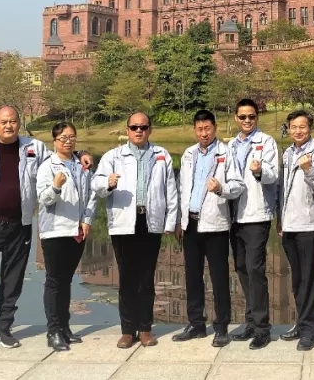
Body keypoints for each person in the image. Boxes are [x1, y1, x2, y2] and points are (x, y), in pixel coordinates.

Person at [0, 106, 92, 357]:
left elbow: (59, 155)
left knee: (12, 281)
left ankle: (3, 329)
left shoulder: (34, 147)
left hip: (20, 224)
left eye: (13, 121)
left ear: (19, 123)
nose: (8, 125)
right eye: (4, 122)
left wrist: (80, 153)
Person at [92, 111, 179, 349]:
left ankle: (146, 328)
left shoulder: (161, 155)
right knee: (127, 277)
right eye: (134, 127)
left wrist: (171, 221)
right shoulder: (113, 156)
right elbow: (96, 185)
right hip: (124, 223)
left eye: (143, 127)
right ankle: (128, 330)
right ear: (127, 130)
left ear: (150, 129)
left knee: (147, 276)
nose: (139, 131)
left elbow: (170, 190)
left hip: (150, 221)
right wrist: (107, 183)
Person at [173, 110, 244, 348]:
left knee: (219, 277)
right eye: (200, 129)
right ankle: (196, 323)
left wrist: (221, 189)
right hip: (191, 223)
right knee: (192, 275)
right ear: (195, 130)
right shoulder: (188, 154)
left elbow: (238, 185)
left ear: (215, 128)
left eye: (208, 128)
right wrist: (179, 220)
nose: (204, 133)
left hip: (215, 225)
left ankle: (221, 327)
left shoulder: (226, 152)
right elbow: (181, 189)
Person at [36, 121, 96, 352]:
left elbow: (91, 195)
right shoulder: (47, 167)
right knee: (54, 280)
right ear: (54, 141)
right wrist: (56, 186)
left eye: (71, 137)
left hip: (77, 230)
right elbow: (44, 199)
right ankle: (53, 331)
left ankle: (65, 326)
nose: (68, 141)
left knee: (66, 280)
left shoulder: (82, 165)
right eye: (63, 138)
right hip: (55, 230)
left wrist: (87, 219)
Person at [227, 98, 279, 350]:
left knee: (255, 269)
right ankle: (250, 321)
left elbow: (273, 175)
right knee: (241, 268)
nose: (247, 120)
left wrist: (259, 171)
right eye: (242, 116)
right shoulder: (230, 145)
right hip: (234, 215)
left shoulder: (266, 142)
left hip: (256, 215)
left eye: (251, 116)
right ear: (236, 118)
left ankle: (262, 328)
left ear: (257, 117)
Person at [278, 110, 314, 351]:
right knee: (298, 279)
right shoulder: (288, 153)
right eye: (294, 127)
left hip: (311, 225)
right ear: (288, 129)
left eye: (302, 126)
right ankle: (302, 322)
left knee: (310, 278)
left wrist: (309, 169)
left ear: (309, 128)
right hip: (290, 224)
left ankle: (311, 330)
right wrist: (280, 219)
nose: (298, 131)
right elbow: (283, 189)